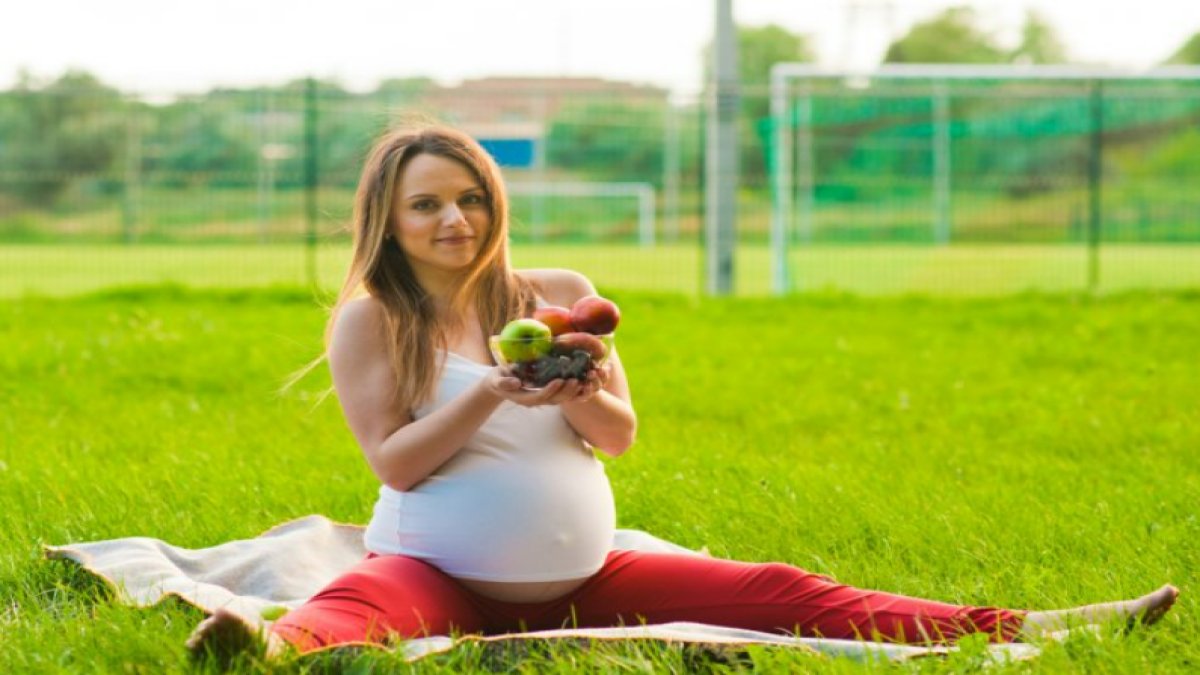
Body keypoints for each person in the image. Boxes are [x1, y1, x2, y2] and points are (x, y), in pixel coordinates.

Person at [187, 124, 1178, 663]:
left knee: (781, 593)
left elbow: (616, 440)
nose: (455, 218)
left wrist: (573, 386)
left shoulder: (561, 297)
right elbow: (395, 462)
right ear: (389, 221)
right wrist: (490, 392)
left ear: (497, 203)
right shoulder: (372, 318)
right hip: (437, 567)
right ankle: (254, 648)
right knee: (359, 601)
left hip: (585, 578)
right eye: (428, 204)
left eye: (472, 196)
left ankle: (1044, 626)